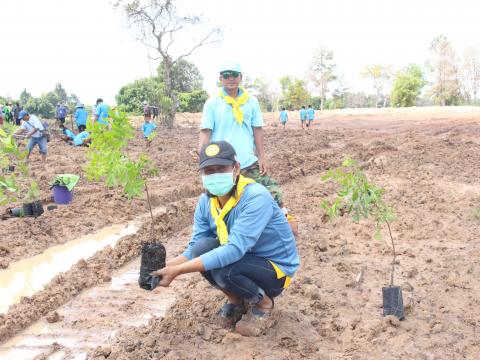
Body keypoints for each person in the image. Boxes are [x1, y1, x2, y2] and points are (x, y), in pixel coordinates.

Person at [153, 141, 299, 335]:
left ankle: (264, 304)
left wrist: (178, 271)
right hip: (246, 259)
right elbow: (196, 247)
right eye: (208, 171)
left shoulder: (255, 197)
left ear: (236, 168)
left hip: (274, 268)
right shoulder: (206, 202)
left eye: (221, 168)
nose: (215, 175)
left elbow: (234, 250)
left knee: (225, 269)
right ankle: (236, 301)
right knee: (202, 248)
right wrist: (165, 267)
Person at [200, 61, 298, 235]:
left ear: (240, 77)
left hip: (247, 161)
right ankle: (222, 232)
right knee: (221, 198)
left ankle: (284, 220)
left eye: (234, 75)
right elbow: (206, 131)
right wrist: (204, 158)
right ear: (220, 78)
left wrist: (262, 157)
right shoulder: (212, 103)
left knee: (270, 191)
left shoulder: (251, 102)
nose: (231, 78)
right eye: (226, 75)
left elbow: (257, 130)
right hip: (223, 164)